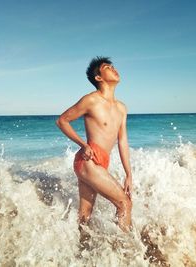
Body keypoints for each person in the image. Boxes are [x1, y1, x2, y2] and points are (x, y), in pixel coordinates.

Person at [56, 56, 132, 232]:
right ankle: (126, 251)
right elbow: (62, 121)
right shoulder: (91, 100)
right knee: (124, 203)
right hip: (88, 161)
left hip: (101, 163)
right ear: (98, 77)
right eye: (107, 67)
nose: (114, 69)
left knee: (85, 214)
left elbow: (122, 141)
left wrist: (129, 174)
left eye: (114, 66)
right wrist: (83, 144)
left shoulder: (121, 108)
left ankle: (81, 251)